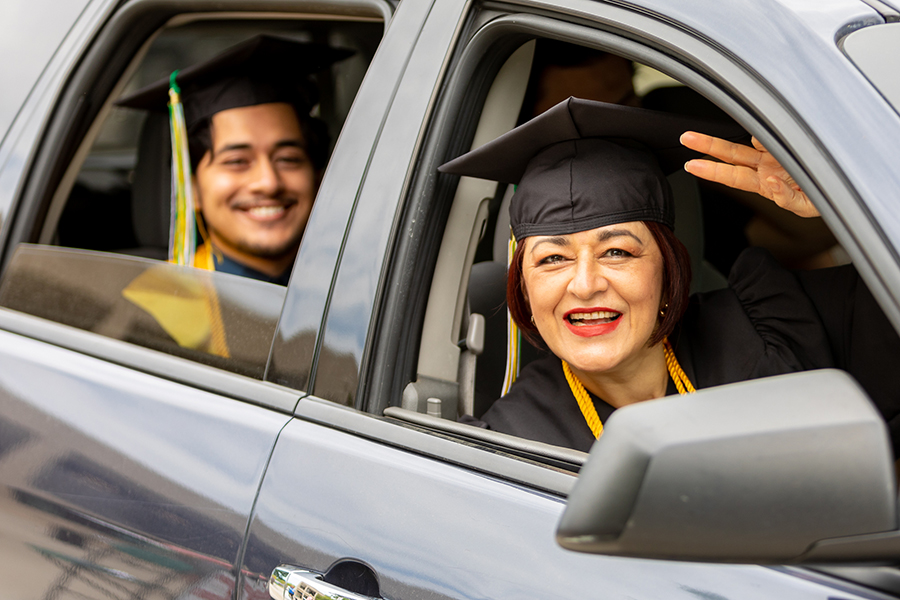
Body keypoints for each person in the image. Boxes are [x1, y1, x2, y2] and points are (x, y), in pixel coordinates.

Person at [441, 97, 900, 455]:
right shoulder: (512, 445)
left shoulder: (778, 326)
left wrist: (856, 205)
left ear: (669, 265)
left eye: (617, 251)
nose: (584, 284)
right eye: (552, 260)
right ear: (523, 285)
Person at [118, 35, 352, 285]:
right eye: (237, 161)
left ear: (318, 176)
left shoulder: (370, 288)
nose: (268, 183)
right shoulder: (149, 308)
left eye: (288, 159)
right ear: (192, 188)